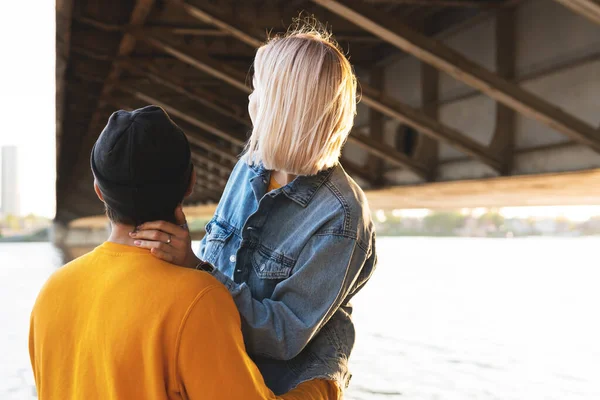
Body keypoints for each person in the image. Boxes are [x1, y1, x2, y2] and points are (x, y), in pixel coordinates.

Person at [132, 23, 377, 397]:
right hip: (218, 375)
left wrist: (196, 268)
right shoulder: (248, 168)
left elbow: (283, 335)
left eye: (259, 90)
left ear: (284, 107)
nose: (251, 100)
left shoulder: (342, 218)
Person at [28, 106, 337, 400]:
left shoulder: (52, 292)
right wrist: (326, 384)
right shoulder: (198, 299)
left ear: (98, 190)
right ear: (191, 182)